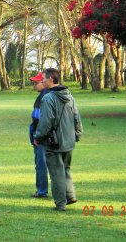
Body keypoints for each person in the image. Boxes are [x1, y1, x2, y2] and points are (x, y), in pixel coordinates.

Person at [34, 68, 82, 211]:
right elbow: (76, 117)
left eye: (43, 78)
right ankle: (70, 195)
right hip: (69, 139)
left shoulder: (48, 98)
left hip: (54, 142)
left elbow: (46, 121)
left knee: (56, 173)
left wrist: (38, 136)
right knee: (66, 169)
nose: (41, 81)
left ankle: (60, 203)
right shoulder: (70, 96)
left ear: (50, 79)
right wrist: (77, 134)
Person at [29, 72, 49, 198]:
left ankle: (42, 191)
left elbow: (39, 119)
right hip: (50, 136)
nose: (34, 85)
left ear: (44, 82)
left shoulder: (44, 97)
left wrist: (37, 136)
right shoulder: (48, 95)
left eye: (36, 83)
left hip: (42, 138)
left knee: (41, 165)